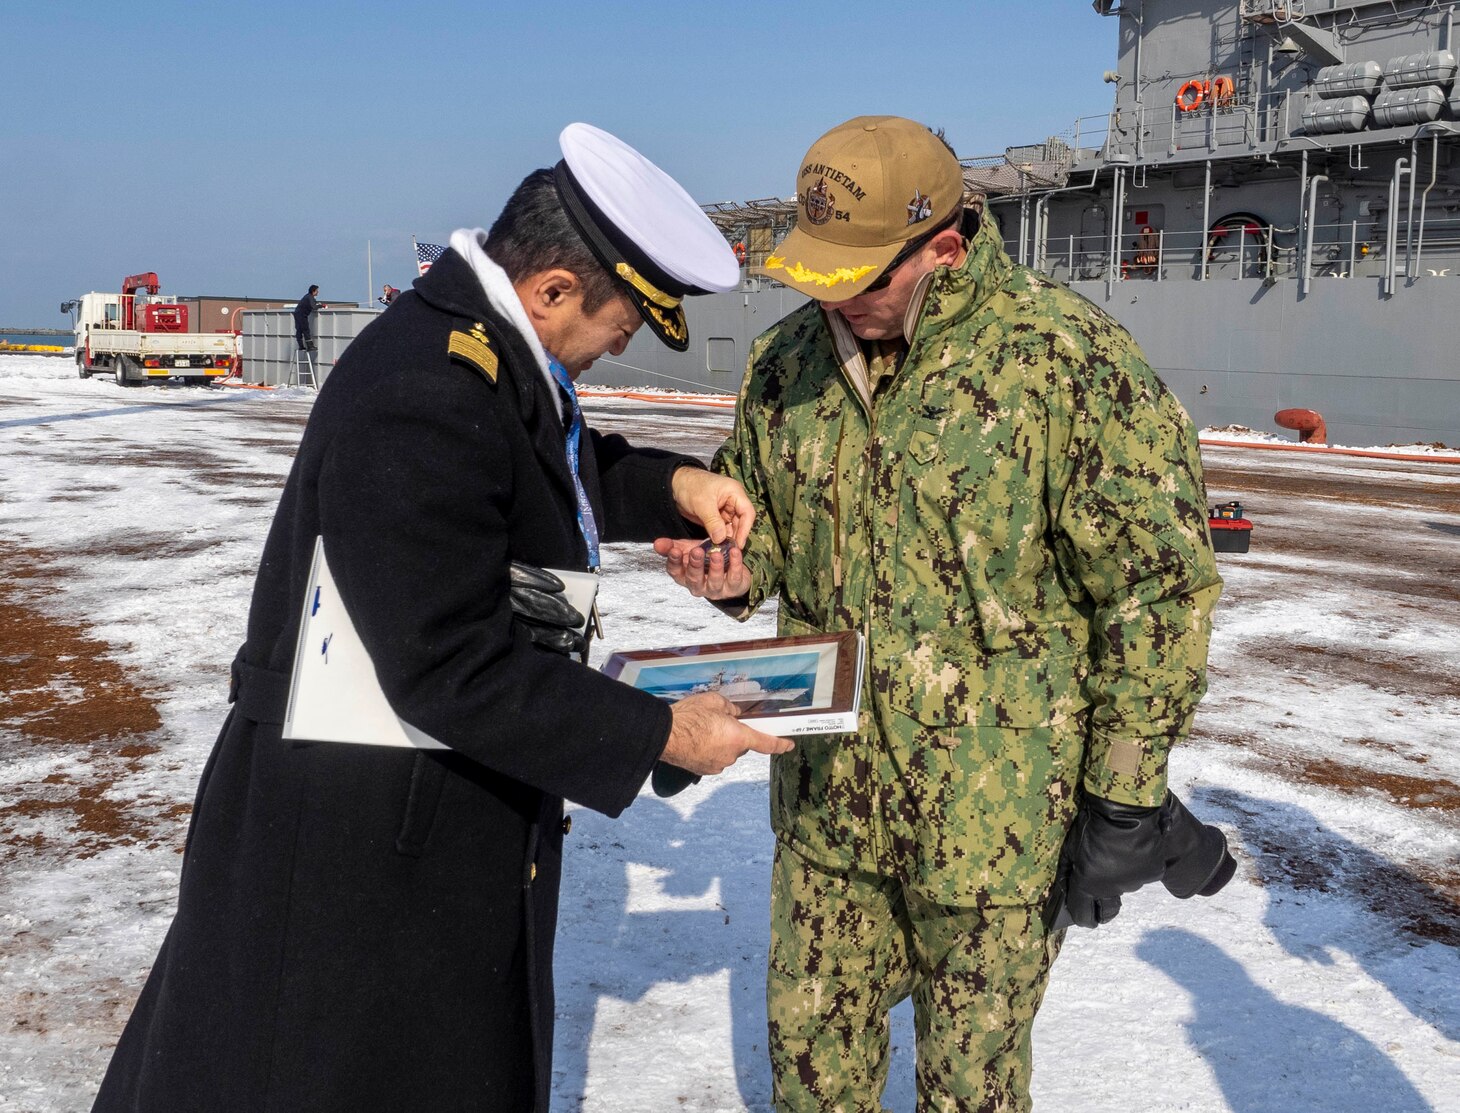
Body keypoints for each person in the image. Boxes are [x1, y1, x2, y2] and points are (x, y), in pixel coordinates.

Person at [92, 122, 791, 1113]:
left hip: (418, 807)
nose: (614, 348)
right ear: (552, 289)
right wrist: (662, 729)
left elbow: (539, 464)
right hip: (363, 837)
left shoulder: (480, 352)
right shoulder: (429, 387)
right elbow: (447, 661)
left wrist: (669, 484)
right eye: (619, 327)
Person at [656, 116, 1231, 1111]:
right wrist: (730, 574)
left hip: (994, 834)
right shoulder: (786, 363)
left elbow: (1155, 592)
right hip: (828, 814)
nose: (832, 301)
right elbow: (767, 532)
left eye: (860, 278)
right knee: (809, 1081)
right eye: (816, 275)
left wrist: (1124, 795)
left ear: (944, 248)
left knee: (970, 1094)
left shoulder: (1065, 363)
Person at [292, 283, 322, 349]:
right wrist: (321, 306)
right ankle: (310, 346)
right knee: (306, 330)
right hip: (302, 315)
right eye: (317, 291)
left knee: (299, 330)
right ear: (313, 291)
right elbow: (314, 307)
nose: (318, 292)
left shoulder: (307, 297)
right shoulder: (310, 297)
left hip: (297, 314)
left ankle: (301, 346)